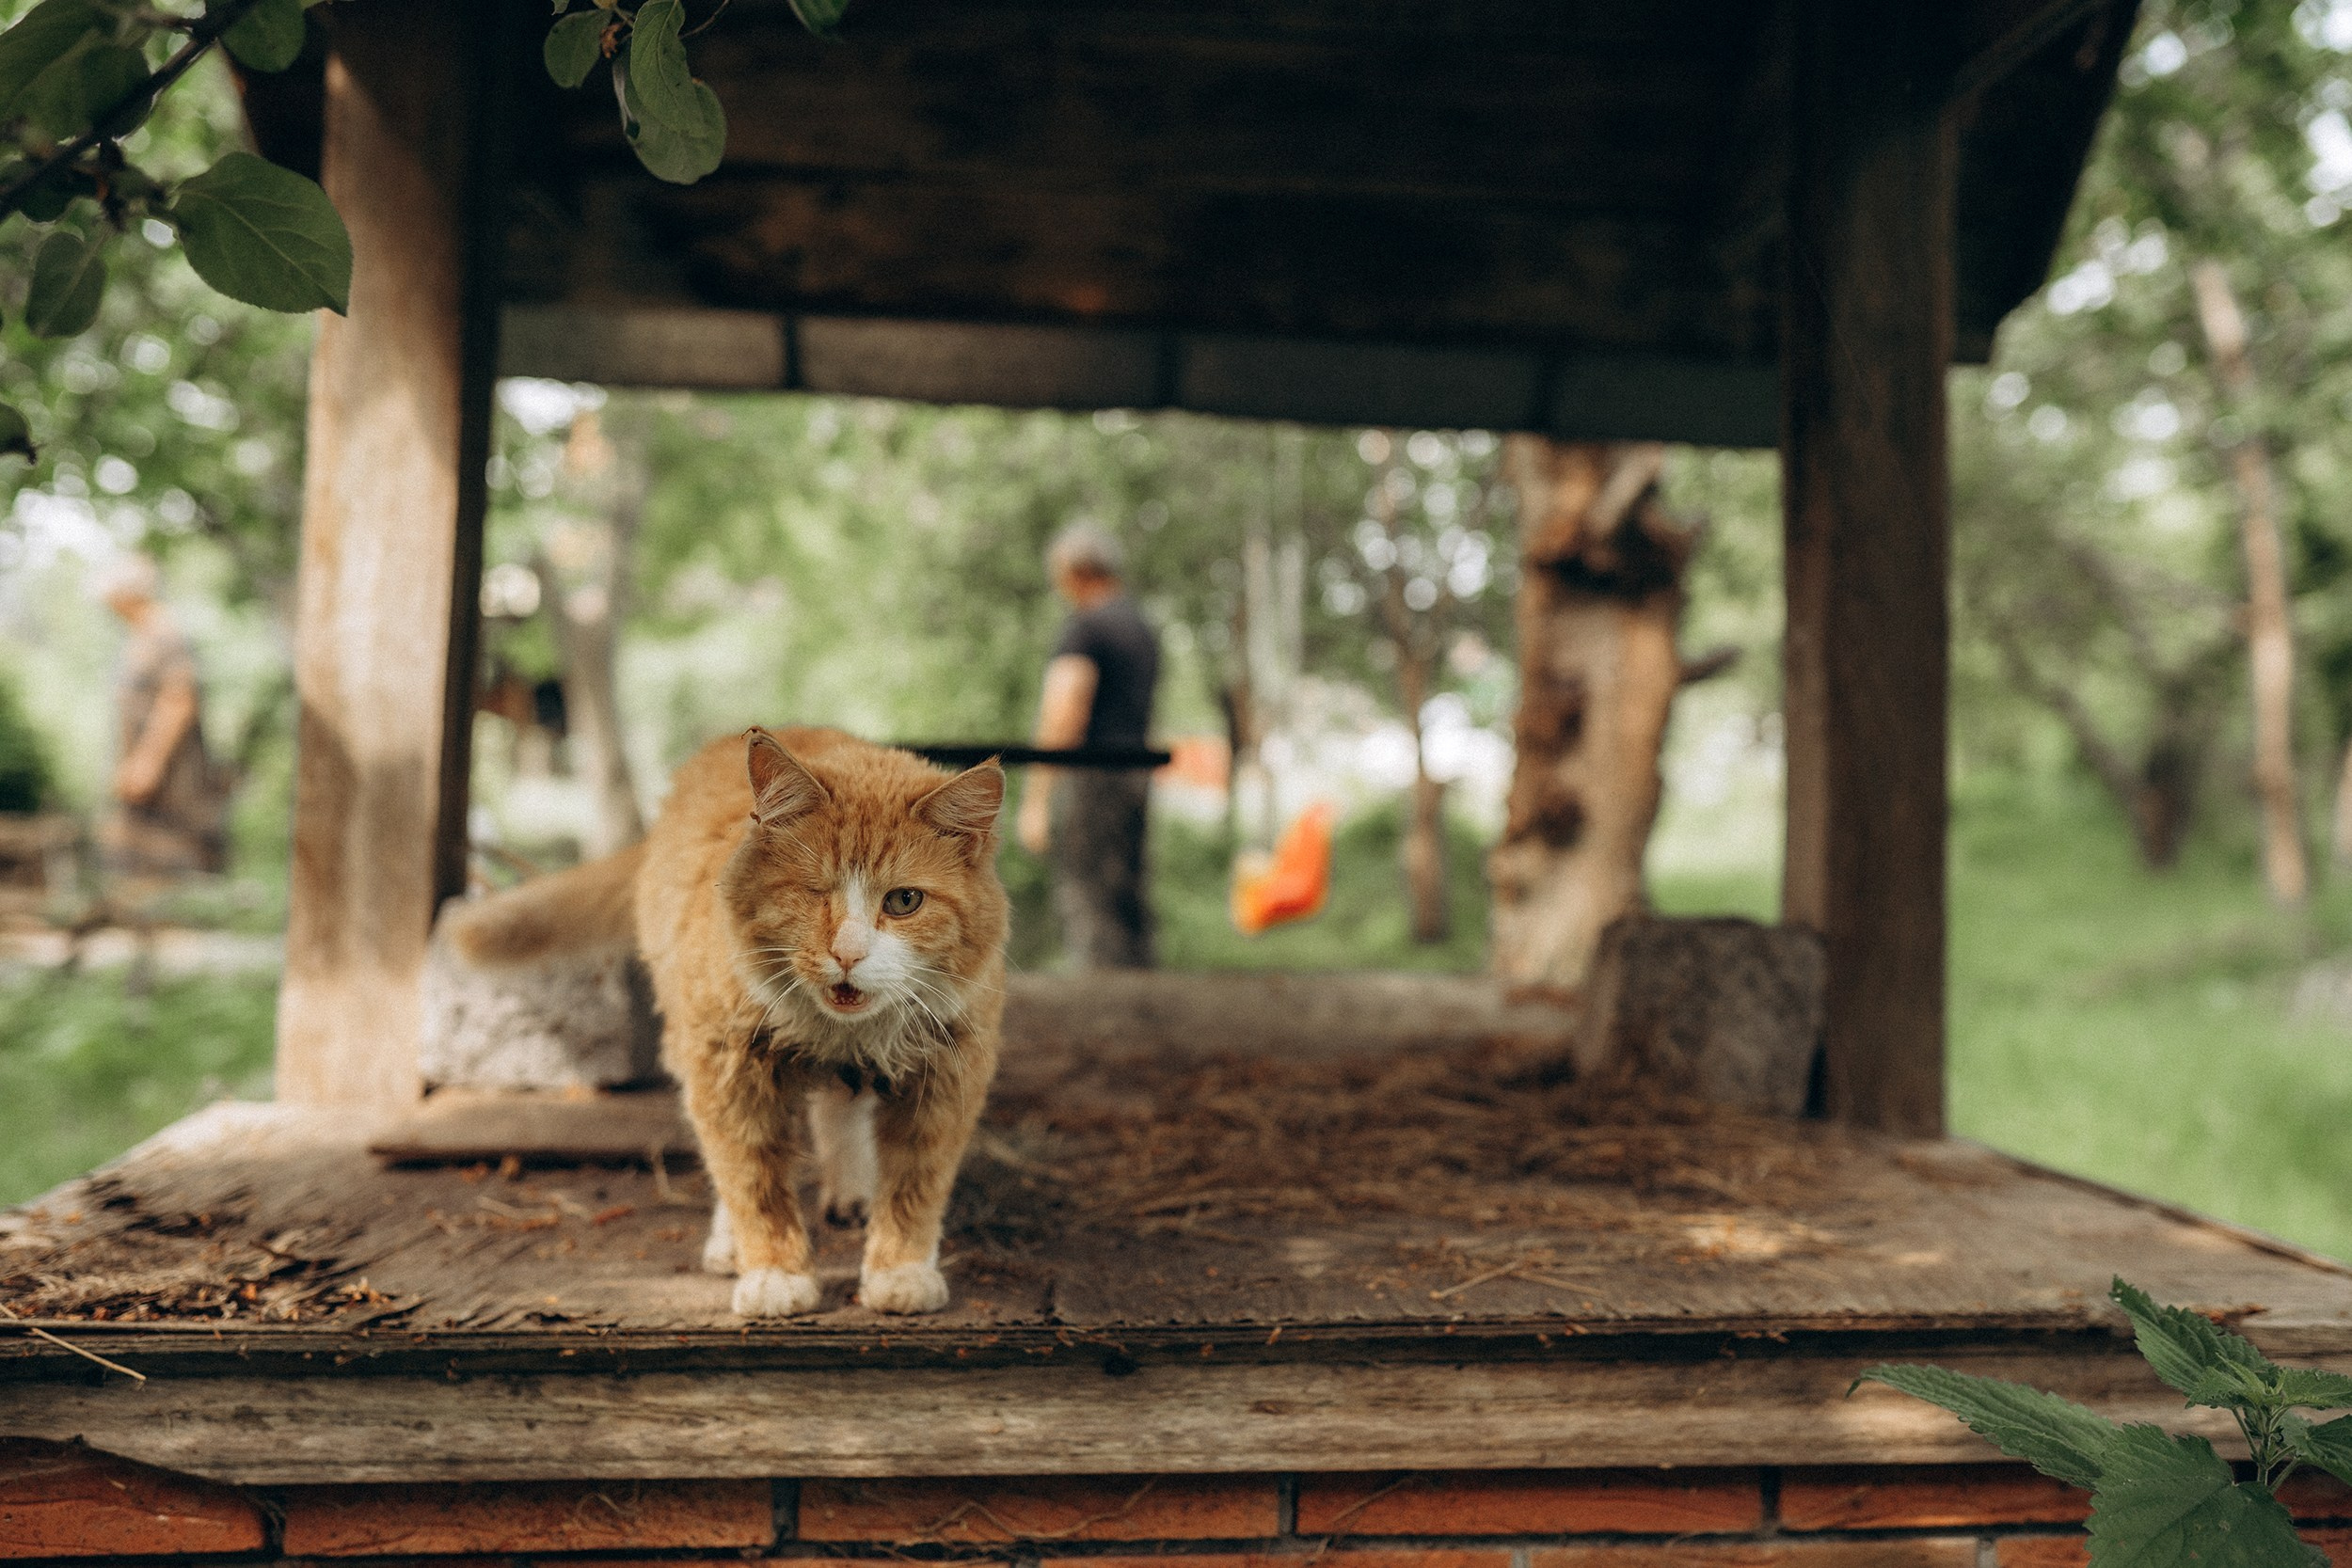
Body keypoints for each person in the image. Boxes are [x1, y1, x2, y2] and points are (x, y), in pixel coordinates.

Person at [1017, 522, 1160, 969]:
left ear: (1076, 572)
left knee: (1088, 898)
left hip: (1091, 779)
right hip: (1135, 776)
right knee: (1128, 898)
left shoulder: (1086, 627)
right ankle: (1146, 1009)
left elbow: (1064, 714)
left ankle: (1104, 1011)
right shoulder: (1143, 629)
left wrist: (1035, 800)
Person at [97, 553, 226, 882]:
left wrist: (147, 762)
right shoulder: (140, 633)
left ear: (129, 593)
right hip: (153, 782)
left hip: (173, 781)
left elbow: (179, 698)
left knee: (172, 866)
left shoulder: (163, 631)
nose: (105, 602)